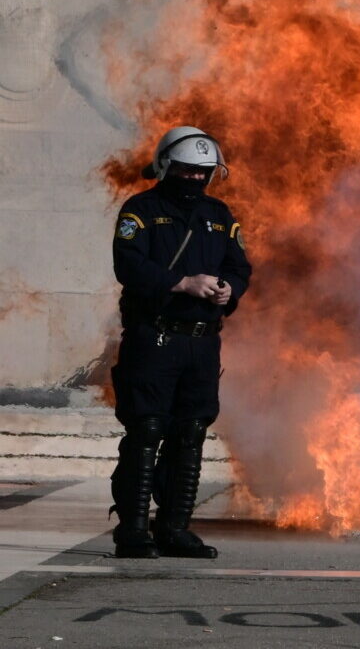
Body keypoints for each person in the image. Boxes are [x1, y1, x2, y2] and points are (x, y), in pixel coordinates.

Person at [110, 126, 252, 560]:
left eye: (204, 172)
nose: (195, 179)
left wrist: (230, 289)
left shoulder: (221, 215)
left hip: (202, 343)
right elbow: (129, 265)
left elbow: (239, 265)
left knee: (190, 432)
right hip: (155, 338)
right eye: (188, 170)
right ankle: (134, 529)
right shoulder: (141, 210)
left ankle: (175, 527)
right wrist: (182, 283)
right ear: (168, 166)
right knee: (148, 427)